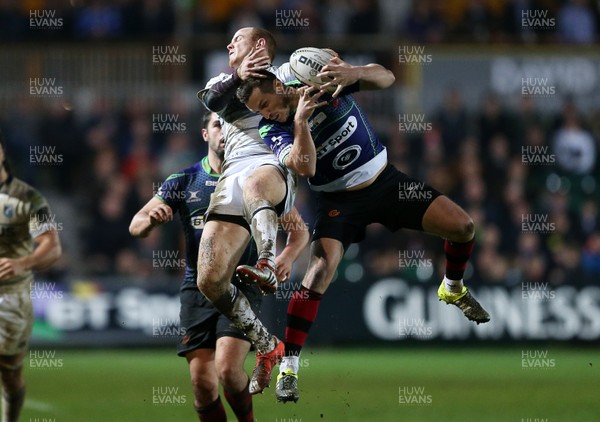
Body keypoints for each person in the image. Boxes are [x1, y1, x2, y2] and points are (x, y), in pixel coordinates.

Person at [236, 59, 491, 402]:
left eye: (265, 105)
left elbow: (386, 76)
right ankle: (290, 369)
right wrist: (299, 122)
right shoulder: (274, 129)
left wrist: (353, 74)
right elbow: (307, 167)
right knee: (318, 272)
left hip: (386, 183)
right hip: (339, 202)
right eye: (257, 111)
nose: (266, 115)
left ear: (279, 87)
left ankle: (452, 287)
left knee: (463, 226)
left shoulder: (324, 83)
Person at [129, 111, 309, 421]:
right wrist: (150, 222)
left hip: (242, 283)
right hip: (197, 288)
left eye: (230, 124)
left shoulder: (254, 179)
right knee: (202, 383)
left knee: (227, 369)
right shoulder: (185, 180)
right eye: (218, 125)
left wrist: (286, 257)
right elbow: (136, 223)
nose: (225, 131)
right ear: (205, 135)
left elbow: (299, 230)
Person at [196, 27, 308, 395]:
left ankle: (265, 260)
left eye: (237, 40)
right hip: (232, 174)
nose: (229, 44)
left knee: (257, 185)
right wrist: (238, 76)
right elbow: (213, 101)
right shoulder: (224, 81)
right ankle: (267, 345)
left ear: (260, 45)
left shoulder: (288, 77)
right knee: (209, 280)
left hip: (273, 163)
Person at [0, 130, 62, 422]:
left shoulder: (27, 198)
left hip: (10, 300)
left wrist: (23, 263)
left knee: (10, 374)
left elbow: (52, 246)